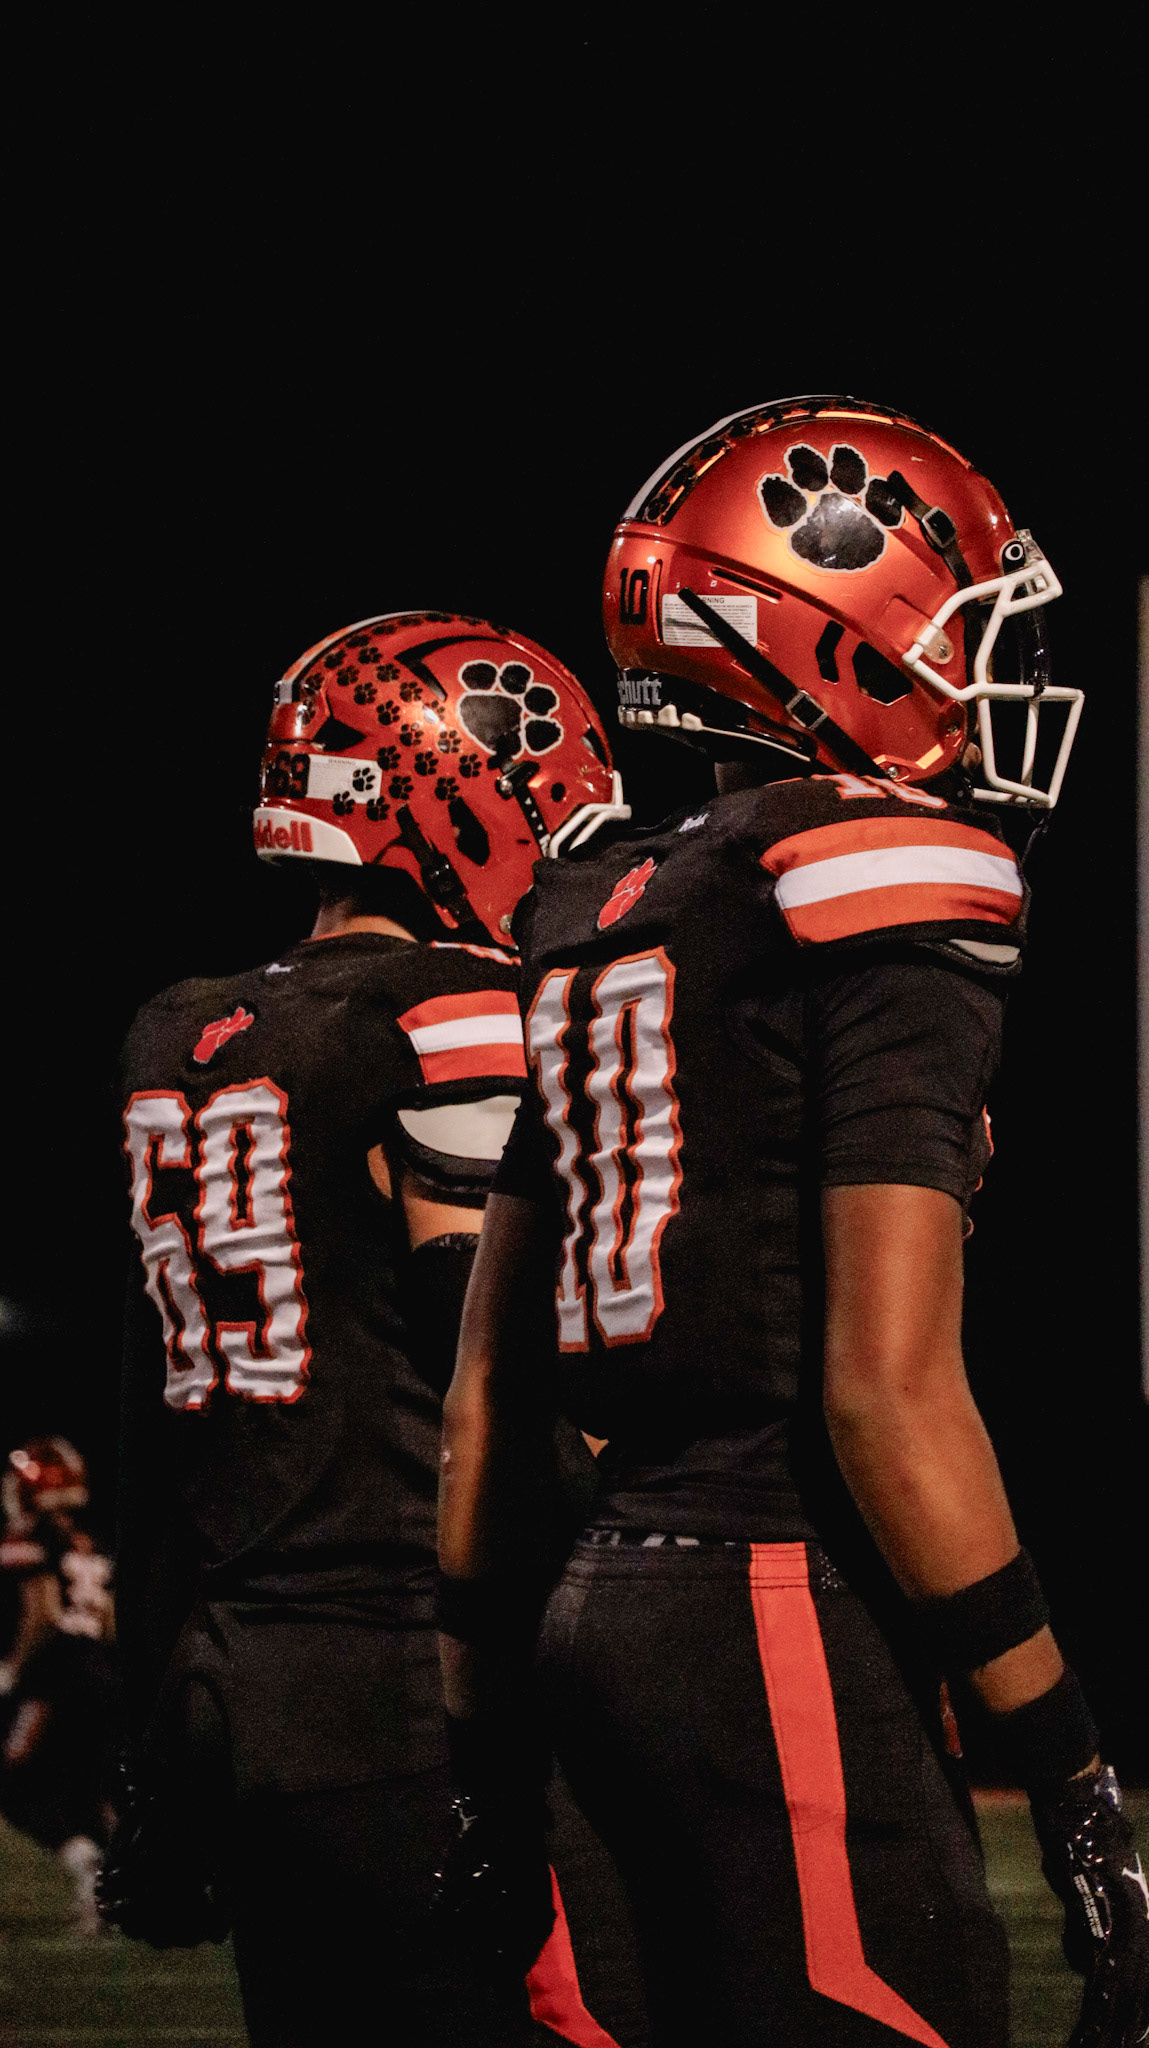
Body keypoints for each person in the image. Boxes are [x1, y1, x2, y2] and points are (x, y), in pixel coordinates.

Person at [438, 400, 1149, 2047]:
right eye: (958, 618)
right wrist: (1071, 1778)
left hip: (596, 1611)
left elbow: (489, 1401)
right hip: (769, 1594)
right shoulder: (875, 869)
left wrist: (481, 1755)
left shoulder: (607, 904)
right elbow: (884, 1393)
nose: (985, 670)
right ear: (825, 626)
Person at [101, 609, 633, 2046]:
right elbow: (501, 1375)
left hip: (241, 1676)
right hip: (418, 1677)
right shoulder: (448, 1012)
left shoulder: (179, 1030)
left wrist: (149, 1718)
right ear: (453, 793)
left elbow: (157, 1426)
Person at [0, 1436, 118, 1934]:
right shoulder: (92, 1540)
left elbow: (44, 1612)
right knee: (88, 1790)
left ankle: (88, 1868)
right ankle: (116, 1890)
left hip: (55, 1673)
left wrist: (13, 1671)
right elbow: (110, 1621)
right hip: (102, 1672)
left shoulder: (34, 1534)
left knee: (12, 1781)